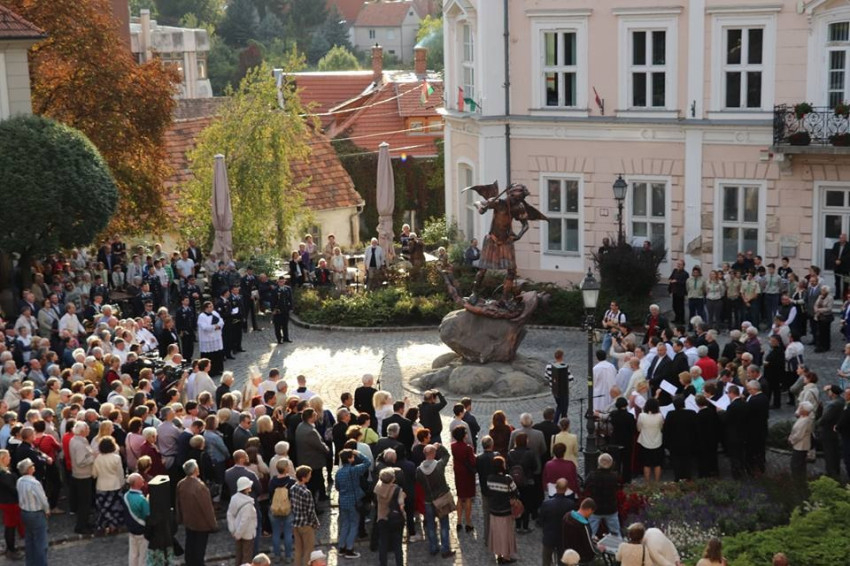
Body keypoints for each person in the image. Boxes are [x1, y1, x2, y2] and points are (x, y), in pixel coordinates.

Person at [416, 443, 455, 558]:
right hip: (441, 499)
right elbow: (446, 455)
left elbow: (419, 482)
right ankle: (445, 549)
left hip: (428, 500)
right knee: (444, 524)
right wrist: (439, 446)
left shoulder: (419, 470)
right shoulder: (439, 465)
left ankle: (433, 548)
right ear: (433, 454)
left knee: (431, 525)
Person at [176, 459, 218, 566]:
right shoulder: (200, 487)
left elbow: (178, 503)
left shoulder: (181, 484)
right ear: (195, 469)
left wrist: (180, 518)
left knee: (190, 545)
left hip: (188, 521)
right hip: (201, 523)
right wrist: (213, 525)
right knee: (199, 549)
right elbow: (207, 508)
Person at [335, 448, 368, 558]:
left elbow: (337, 487)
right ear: (350, 459)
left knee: (345, 524)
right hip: (354, 501)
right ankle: (349, 549)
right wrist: (358, 453)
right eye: (352, 456)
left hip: (343, 501)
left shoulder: (338, 472)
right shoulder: (354, 470)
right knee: (354, 524)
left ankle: (341, 547)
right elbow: (367, 462)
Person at [485, 455, 518, 565]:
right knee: (506, 534)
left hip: (493, 511)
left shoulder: (489, 478)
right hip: (505, 511)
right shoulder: (507, 479)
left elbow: (489, 492)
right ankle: (506, 557)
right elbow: (515, 492)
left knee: (496, 533)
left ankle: (498, 555)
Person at [16, 458, 49, 566]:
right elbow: (42, 499)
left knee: (29, 541)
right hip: (36, 514)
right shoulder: (35, 483)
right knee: (40, 543)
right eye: (32, 466)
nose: (34, 467)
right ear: (29, 469)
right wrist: (47, 510)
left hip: (24, 513)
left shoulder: (19, 481)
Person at [539, 478, 575, 566]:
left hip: (549, 537)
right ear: (566, 489)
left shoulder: (546, 504)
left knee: (546, 560)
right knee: (562, 561)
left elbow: (541, 520)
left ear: (556, 487)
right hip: (563, 538)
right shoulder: (571, 504)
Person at [92, 436, 124, 533]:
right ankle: (114, 526)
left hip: (101, 486)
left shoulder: (98, 459)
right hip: (115, 485)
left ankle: (103, 526)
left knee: (104, 509)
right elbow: (120, 473)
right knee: (115, 508)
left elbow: (94, 474)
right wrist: (122, 484)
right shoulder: (116, 458)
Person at [374, 467, 405, 566]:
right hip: (395, 519)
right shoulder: (397, 489)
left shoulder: (378, 487)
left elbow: (382, 477)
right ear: (393, 479)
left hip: (382, 518)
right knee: (397, 545)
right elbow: (401, 505)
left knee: (383, 544)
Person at [585, 453, 620, 538]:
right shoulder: (614, 476)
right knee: (615, 533)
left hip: (595, 508)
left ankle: (590, 544)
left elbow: (585, 486)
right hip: (611, 508)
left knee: (590, 533)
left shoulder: (592, 476)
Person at [663, 396, 698, 481]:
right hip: (688, 442)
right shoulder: (691, 413)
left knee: (676, 462)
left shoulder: (670, 414)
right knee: (687, 461)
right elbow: (696, 428)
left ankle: (678, 478)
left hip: (674, 443)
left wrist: (666, 443)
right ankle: (687, 477)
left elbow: (666, 429)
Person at [268, 459, 296, 564]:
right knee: (288, 533)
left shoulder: (272, 481)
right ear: (286, 468)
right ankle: (288, 556)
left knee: (275, 533)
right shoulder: (291, 482)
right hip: (288, 509)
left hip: (275, 509)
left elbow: (270, 495)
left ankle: (277, 556)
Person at [291, 466, 320, 566]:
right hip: (306, 524)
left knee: (298, 550)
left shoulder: (293, 488)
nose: (310, 477)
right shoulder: (306, 492)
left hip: (296, 523)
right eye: (309, 475)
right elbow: (311, 511)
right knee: (308, 550)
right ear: (303, 478)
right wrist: (316, 523)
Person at [450, 426, 476, 533]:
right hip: (467, 474)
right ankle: (468, 522)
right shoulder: (468, 448)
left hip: (458, 473)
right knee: (468, 497)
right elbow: (473, 462)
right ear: (463, 435)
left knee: (460, 497)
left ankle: (459, 522)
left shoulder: (453, 446)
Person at [227, 476, 258, 566]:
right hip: (247, 533)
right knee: (246, 558)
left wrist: (233, 530)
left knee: (239, 556)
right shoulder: (248, 504)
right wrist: (238, 534)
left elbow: (230, 514)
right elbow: (244, 522)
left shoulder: (234, 498)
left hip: (237, 531)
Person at [562, 498, 602, 565]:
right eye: (591, 512)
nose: (591, 515)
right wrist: (598, 549)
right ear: (589, 510)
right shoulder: (584, 525)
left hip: (568, 556)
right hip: (582, 559)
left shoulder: (566, 516)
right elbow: (590, 547)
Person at [818, 385, 845, 480]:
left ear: (833, 393)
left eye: (829, 391)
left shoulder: (833, 405)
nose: (828, 393)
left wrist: (818, 423)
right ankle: (836, 472)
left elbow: (824, 419)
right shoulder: (842, 401)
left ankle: (831, 474)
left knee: (829, 453)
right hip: (837, 431)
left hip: (828, 432)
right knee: (835, 453)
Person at [0, 449, 23, 560]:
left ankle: (10, 548)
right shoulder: (4, 474)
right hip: (10, 503)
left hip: (6, 502)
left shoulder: (4, 472)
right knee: (10, 527)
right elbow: (12, 489)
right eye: (8, 456)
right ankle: (11, 549)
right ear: (3, 459)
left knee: (9, 526)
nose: (10, 458)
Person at [124, 473, 150, 566]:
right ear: (137, 483)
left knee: (133, 554)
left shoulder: (126, 496)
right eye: (141, 479)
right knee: (143, 556)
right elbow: (147, 516)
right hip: (142, 531)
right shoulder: (142, 499)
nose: (143, 480)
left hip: (131, 530)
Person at [789, 401, 815, 492]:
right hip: (799, 445)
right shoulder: (803, 418)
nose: (799, 409)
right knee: (799, 465)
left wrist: (791, 440)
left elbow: (799, 435)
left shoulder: (805, 421)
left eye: (800, 408)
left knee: (796, 465)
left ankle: (798, 484)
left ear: (804, 411)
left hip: (801, 446)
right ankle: (800, 483)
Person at [637, 398, 664, 482]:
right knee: (657, 464)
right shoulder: (660, 416)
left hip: (645, 442)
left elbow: (638, 429)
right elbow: (661, 427)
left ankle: (647, 484)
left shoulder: (641, 416)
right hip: (657, 442)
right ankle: (657, 483)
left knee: (646, 464)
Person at [197, 301, 224, 377]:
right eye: (210, 306)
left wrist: (218, 326)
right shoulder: (202, 316)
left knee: (217, 354)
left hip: (216, 337)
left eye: (212, 306)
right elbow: (204, 327)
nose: (212, 307)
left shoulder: (215, 313)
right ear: (206, 308)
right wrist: (214, 327)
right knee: (209, 355)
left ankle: (218, 370)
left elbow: (221, 321)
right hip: (207, 338)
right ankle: (209, 372)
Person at [546, 350, 572, 422]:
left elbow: (546, 376)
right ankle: (561, 422)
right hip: (564, 391)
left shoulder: (548, 366)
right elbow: (570, 378)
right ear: (562, 356)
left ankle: (557, 422)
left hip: (554, 390)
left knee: (559, 405)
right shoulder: (564, 366)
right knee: (563, 408)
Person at [272, 276, 293, 344]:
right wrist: (273, 310)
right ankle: (279, 339)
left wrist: (291, 308)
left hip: (285, 309)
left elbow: (290, 299)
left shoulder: (288, 288)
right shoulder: (275, 289)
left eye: (283, 281)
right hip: (278, 310)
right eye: (280, 282)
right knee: (278, 326)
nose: (281, 283)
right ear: (278, 282)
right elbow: (272, 301)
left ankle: (286, 338)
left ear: (284, 281)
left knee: (285, 325)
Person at [814, 285, 835, 352]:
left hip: (826, 317)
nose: (822, 291)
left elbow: (829, 308)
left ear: (827, 291)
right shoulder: (820, 297)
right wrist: (816, 309)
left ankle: (825, 346)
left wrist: (819, 310)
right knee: (819, 332)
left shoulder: (830, 298)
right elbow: (816, 304)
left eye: (823, 290)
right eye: (822, 290)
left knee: (825, 332)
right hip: (819, 316)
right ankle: (819, 345)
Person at [668, 259, 689, 324]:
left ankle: (682, 320)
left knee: (680, 306)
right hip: (674, 291)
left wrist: (677, 281)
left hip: (681, 292)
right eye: (678, 264)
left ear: (683, 266)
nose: (678, 265)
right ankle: (676, 318)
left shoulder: (685, 273)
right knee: (674, 306)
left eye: (680, 264)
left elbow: (685, 282)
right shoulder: (675, 271)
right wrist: (670, 280)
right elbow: (671, 278)